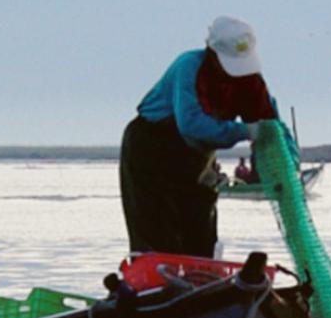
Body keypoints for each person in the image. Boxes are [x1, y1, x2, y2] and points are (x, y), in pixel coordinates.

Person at [118, 16, 281, 257]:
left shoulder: (250, 80)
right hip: (152, 150)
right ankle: (156, 287)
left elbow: (271, 126)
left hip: (198, 159)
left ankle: (201, 286)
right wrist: (244, 131)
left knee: (201, 236)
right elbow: (192, 124)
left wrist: (281, 158)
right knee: (157, 235)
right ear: (212, 51)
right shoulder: (189, 66)